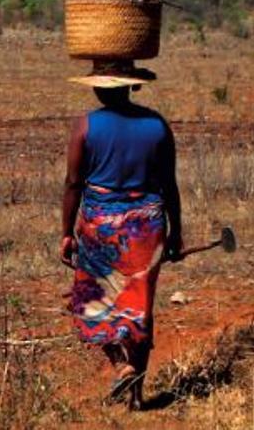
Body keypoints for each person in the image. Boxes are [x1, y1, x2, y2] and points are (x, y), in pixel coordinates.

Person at [60, 60, 183, 410]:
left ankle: (120, 363)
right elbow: (169, 185)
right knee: (139, 305)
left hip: (100, 229)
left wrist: (66, 232)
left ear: (99, 87)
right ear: (131, 85)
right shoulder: (156, 125)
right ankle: (137, 396)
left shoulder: (86, 125)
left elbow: (73, 182)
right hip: (147, 227)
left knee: (94, 301)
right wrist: (175, 232)